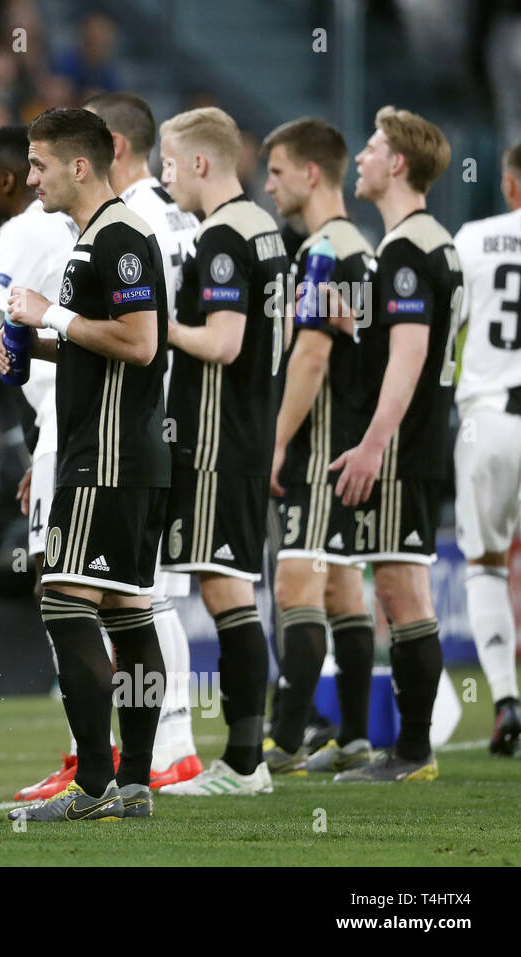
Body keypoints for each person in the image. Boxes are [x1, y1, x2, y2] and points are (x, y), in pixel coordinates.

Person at [0, 107, 169, 823]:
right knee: (127, 612)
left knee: (64, 601)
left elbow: (141, 342)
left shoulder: (121, 236)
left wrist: (50, 314)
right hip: (118, 452)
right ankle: (131, 783)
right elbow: (99, 344)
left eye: (38, 164)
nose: (29, 178)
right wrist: (33, 343)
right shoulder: (93, 238)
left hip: (108, 455)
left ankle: (94, 782)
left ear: (80, 165)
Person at [154, 107, 289, 798]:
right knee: (230, 586)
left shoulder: (223, 237)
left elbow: (225, 343)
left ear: (201, 163)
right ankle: (246, 756)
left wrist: (160, 324)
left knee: (225, 589)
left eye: (170, 162)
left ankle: (243, 761)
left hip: (212, 437)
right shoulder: (266, 228)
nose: (163, 174)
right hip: (246, 431)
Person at [329, 107, 462, 782]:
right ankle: (411, 748)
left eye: (374, 147)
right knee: (401, 586)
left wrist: (374, 445)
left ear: (399, 165)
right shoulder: (436, 243)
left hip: (406, 446)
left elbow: (410, 356)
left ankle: (413, 750)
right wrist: (361, 327)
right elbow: (409, 341)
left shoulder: (407, 249)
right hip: (427, 439)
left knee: (402, 590)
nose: (362, 157)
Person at [87, 91, 204, 787]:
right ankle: (173, 743)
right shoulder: (181, 215)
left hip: (146, 420)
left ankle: (175, 744)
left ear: (111, 145)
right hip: (181, 417)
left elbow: (139, 334)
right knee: (148, 593)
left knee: (140, 595)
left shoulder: (136, 222)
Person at [0, 123, 85, 802]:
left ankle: (94, 759)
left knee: (66, 593)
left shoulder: (22, 230)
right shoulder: (61, 228)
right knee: (87, 593)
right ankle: (102, 753)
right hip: (64, 422)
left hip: (66, 423)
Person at [259, 117, 377, 775]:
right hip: (354, 442)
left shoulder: (320, 253)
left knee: (295, 585)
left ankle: (283, 739)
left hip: (319, 442)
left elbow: (309, 354)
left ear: (311, 173)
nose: (269, 184)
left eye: (277, 171)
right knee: (340, 592)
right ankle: (355, 736)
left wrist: (277, 443)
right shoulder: (366, 247)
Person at [453, 140, 521, 756]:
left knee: (486, 564)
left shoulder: (473, 237)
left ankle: (505, 700)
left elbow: (447, 332)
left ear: (510, 187)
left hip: (488, 419)